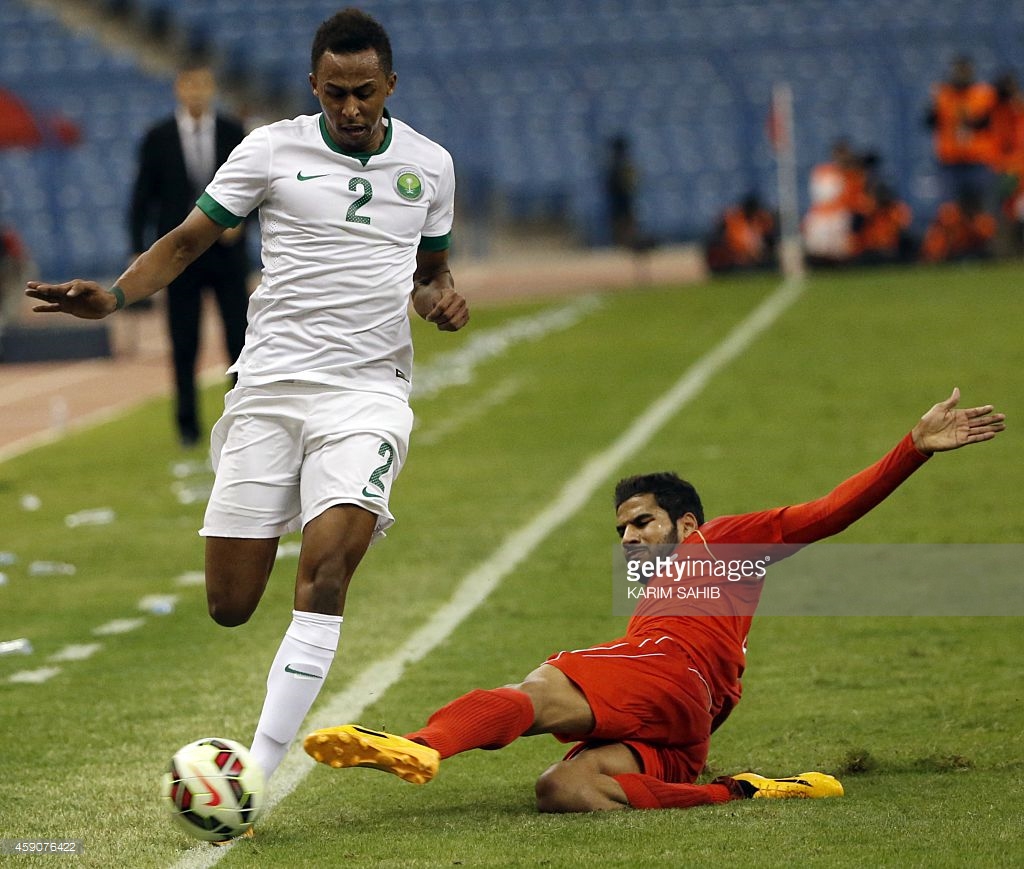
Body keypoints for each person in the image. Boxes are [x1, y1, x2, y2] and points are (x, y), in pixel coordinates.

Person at [26, 7, 469, 792]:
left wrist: (439, 300)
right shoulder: (268, 149)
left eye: (365, 92)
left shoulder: (430, 165)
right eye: (335, 93)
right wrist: (115, 297)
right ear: (313, 85)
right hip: (268, 388)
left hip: (368, 394)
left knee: (326, 573)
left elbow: (430, 272)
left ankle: (254, 773)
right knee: (230, 603)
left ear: (391, 85)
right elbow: (186, 241)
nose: (351, 108)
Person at [305, 389, 1004, 813]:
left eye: (642, 522)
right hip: (687, 725)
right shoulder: (666, 587)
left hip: (668, 674)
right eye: (621, 530)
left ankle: (420, 745)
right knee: (563, 789)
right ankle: (743, 790)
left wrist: (912, 448)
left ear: (688, 523)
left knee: (542, 688)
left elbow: (826, 513)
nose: (630, 538)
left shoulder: (721, 541)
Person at [129, 60, 251, 447]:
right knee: (184, 342)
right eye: (189, 85)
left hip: (226, 255)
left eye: (202, 85)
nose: (196, 93)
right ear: (179, 89)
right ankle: (187, 428)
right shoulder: (158, 137)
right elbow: (142, 198)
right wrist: (138, 251)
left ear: (211, 88)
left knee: (240, 339)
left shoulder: (233, 132)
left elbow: (258, 188)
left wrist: (241, 221)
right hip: (179, 256)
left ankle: (242, 418)